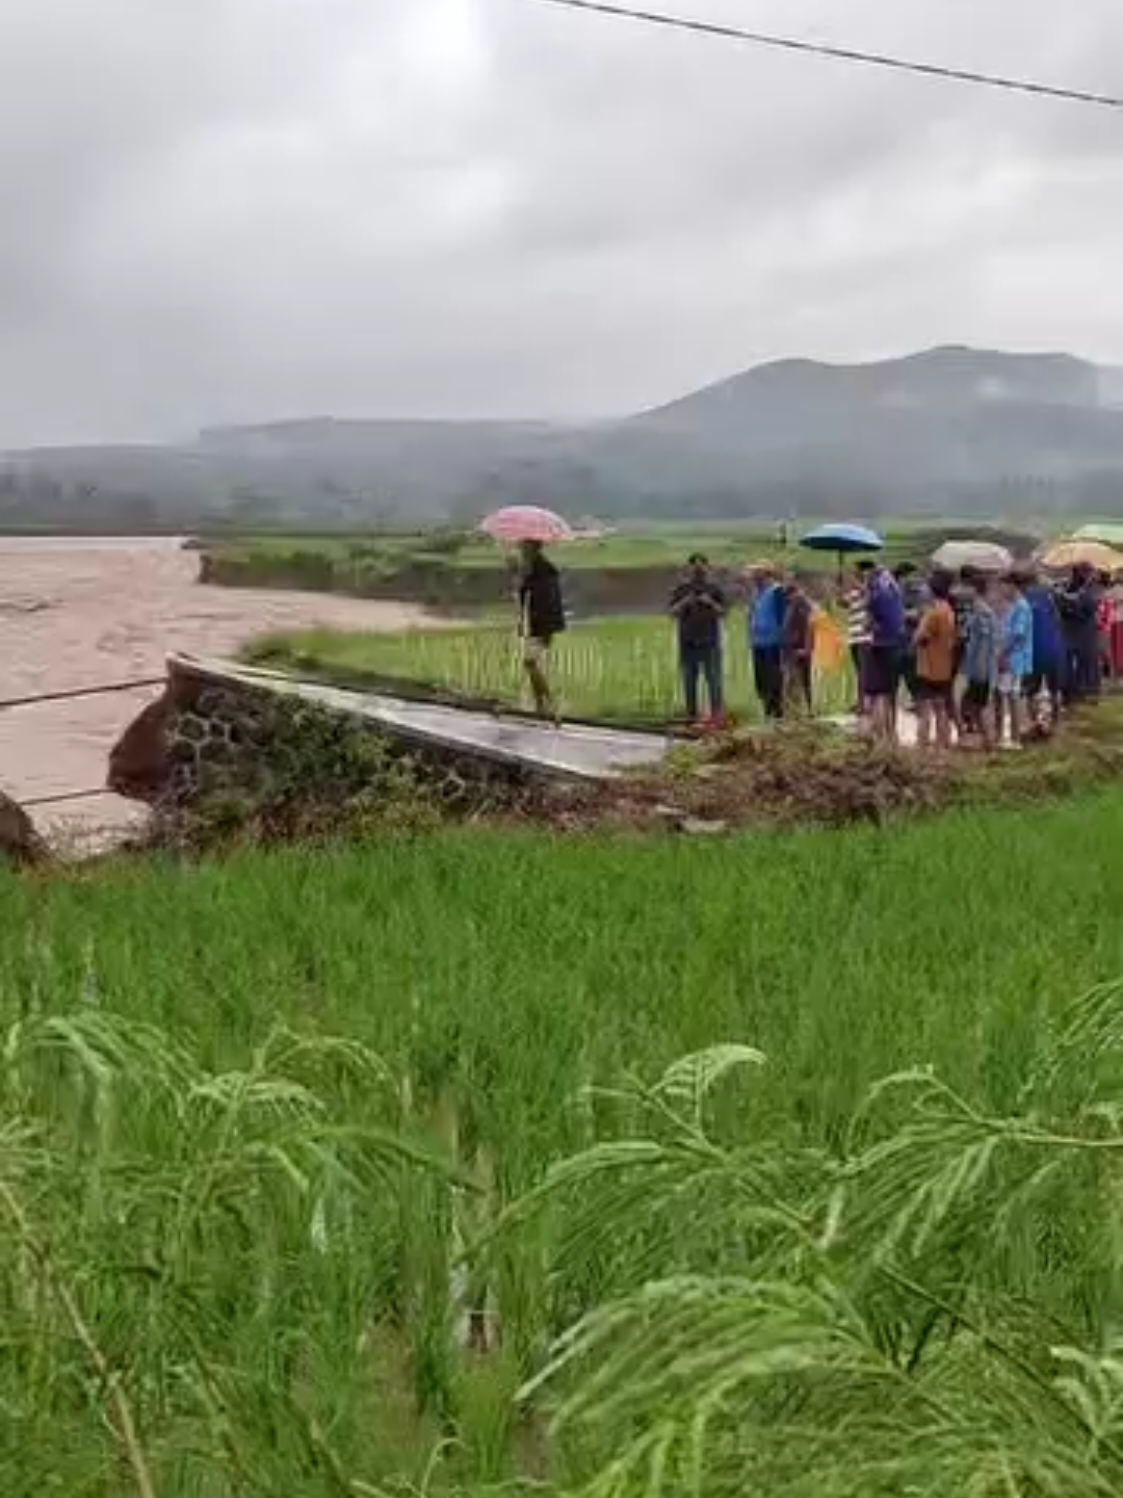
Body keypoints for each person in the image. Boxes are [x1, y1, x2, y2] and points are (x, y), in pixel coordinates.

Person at [669, 554, 727, 725]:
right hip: (687, 642)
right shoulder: (681, 589)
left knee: (714, 680)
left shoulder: (714, 589)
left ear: (707, 568)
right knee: (689, 681)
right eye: (695, 567)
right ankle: (691, 716)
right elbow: (672, 612)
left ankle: (717, 717)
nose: (698, 571)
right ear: (689, 569)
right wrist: (685, 602)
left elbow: (724, 612)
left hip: (710, 642)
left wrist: (710, 602)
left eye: (701, 567)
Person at [518, 540, 566, 720]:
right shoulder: (536, 568)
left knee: (530, 663)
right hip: (536, 624)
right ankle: (540, 705)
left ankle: (550, 703)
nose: (519, 548)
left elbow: (543, 601)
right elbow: (526, 596)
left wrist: (523, 582)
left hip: (540, 626)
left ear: (531, 547)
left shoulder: (542, 570)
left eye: (522, 546)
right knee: (531, 664)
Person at [862, 559, 905, 744]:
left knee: (877, 692)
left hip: (880, 646)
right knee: (891, 693)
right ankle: (892, 731)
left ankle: (879, 734)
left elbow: (867, 623)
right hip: (896, 645)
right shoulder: (896, 592)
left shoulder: (876, 595)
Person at [913, 569, 956, 749]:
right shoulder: (948, 610)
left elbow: (919, 638)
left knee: (925, 708)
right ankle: (943, 742)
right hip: (944, 665)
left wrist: (921, 621)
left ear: (933, 589)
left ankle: (922, 743)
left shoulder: (933, 613)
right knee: (941, 707)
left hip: (929, 666)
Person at [1023, 570, 1064, 730]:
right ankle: (1055, 723)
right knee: (1055, 690)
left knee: (1030, 691)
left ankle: (1035, 723)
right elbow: (1058, 621)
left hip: (1033, 651)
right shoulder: (1051, 595)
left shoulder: (1024, 598)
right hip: (1054, 648)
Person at [961, 572, 998, 748]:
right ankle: (985, 741)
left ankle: (988, 743)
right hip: (978, 667)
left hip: (979, 668)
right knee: (973, 705)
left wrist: (979, 672)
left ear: (974, 590)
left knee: (978, 706)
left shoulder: (982, 612)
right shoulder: (978, 610)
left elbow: (983, 644)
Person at [996, 571, 1033, 745]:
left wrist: (1002, 655)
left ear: (1012, 586)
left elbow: (1017, 635)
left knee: (1009, 696)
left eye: (1003, 586)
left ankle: (1011, 737)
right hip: (1012, 657)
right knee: (1009, 694)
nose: (1001, 590)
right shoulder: (1015, 605)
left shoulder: (1021, 606)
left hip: (1013, 658)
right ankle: (1010, 736)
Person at [1058, 562, 1102, 704]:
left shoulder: (1093, 588)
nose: (1084, 573)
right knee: (1067, 665)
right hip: (1068, 631)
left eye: (1086, 570)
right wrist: (1070, 601)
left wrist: (1071, 601)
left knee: (1086, 664)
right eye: (1080, 570)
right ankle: (1069, 695)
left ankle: (1086, 693)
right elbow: (1059, 604)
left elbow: (1089, 606)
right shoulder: (1065, 586)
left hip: (1085, 633)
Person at [747, 562, 786, 720]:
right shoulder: (757, 593)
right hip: (758, 642)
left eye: (756, 574)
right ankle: (767, 712)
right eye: (753, 575)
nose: (753, 578)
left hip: (773, 642)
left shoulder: (776, 591)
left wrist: (783, 641)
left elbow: (782, 617)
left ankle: (776, 714)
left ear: (766, 575)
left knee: (773, 680)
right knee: (761, 681)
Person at [895, 562, 928, 710]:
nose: (912, 580)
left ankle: (918, 701)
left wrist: (904, 614)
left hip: (912, 640)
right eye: (908, 577)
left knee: (912, 674)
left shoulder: (919, 592)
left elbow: (922, 613)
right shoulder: (894, 591)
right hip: (898, 641)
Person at [781, 574, 814, 713]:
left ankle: (807, 709)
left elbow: (809, 626)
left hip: (799, 648)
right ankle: (794, 710)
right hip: (790, 648)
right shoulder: (791, 604)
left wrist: (806, 648)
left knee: (802, 680)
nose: (788, 598)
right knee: (791, 681)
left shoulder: (801, 604)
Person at [844, 567, 871, 716]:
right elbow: (842, 603)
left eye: (852, 578)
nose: (850, 581)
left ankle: (864, 704)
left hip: (864, 638)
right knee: (858, 672)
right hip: (853, 638)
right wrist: (839, 586)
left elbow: (870, 596)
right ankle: (860, 702)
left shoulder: (866, 591)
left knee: (864, 673)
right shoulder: (853, 593)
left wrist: (860, 586)